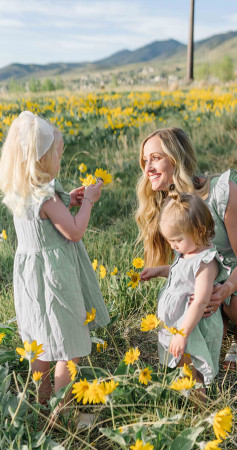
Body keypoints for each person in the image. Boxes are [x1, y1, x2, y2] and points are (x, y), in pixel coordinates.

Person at [136, 127, 237, 369]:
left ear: (176, 157)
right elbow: (193, 261)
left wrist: (224, 290)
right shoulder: (171, 204)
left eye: (155, 158)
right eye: (145, 161)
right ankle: (216, 329)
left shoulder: (221, 191)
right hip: (215, 277)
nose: (147, 169)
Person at [0, 111, 110, 419]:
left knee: (42, 341)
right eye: (57, 156)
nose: (59, 162)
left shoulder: (19, 193)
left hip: (30, 279)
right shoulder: (47, 198)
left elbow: (46, 222)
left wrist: (68, 201)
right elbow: (73, 231)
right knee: (68, 348)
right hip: (55, 278)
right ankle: (61, 413)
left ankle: (42, 400)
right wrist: (88, 200)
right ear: (42, 161)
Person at [142, 190, 230, 397]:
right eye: (169, 240)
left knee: (192, 365)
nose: (173, 246)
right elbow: (179, 274)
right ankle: (186, 393)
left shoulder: (205, 262)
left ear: (199, 231)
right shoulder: (187, 250)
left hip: (193, 326)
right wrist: (159, 270)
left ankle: (200, 405)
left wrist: (183, 334)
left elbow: (199, 301)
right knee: (182, 363)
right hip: (180, 324)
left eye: (177, 240)